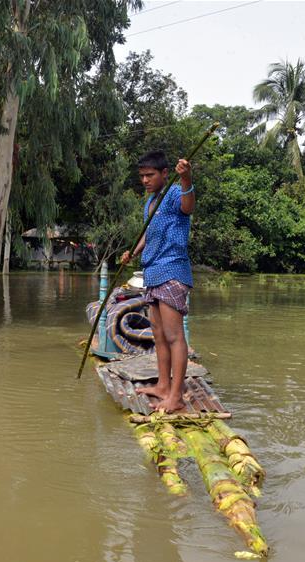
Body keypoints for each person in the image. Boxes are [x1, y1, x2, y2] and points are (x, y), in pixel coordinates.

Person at [121, 150, 194, 413]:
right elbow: (148, 236)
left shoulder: (174, 193)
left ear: (165, 173)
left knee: (175, 336)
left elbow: (188, 206)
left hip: (172, 271)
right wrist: (134, 251)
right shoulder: (150, 202)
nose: (145, 180)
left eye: (150, 175)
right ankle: (163, 386)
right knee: (159, 335)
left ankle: (176, 396)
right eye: (141, 176)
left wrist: (186, 179)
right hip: (152, 273)